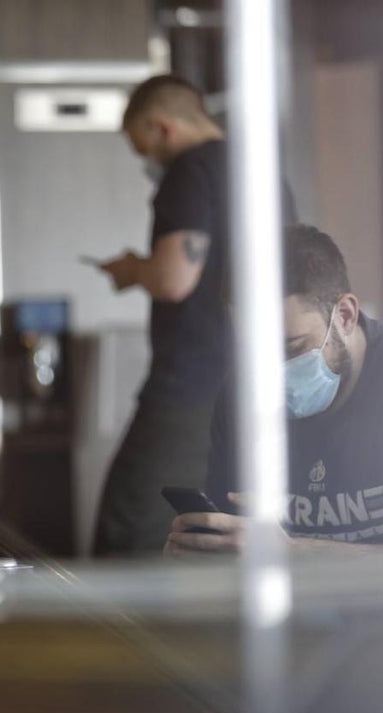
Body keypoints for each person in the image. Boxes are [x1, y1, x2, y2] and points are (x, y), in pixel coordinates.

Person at [91, 74, 296, 556]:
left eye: (144, 148)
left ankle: (121, 632)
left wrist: (131, 269)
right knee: (218, 525)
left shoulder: (190, 170)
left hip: (191, 380)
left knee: (133, 521)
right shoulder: (263, 171)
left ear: (162, 128)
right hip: (257, 379)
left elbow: (173, 277)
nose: (147, 162)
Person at [168, 225, 383, 555]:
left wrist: (299, 552)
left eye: (291, 346)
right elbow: (236, 540)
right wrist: (203, 551)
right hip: (294, 605)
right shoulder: (239, 398)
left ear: (344, 316)